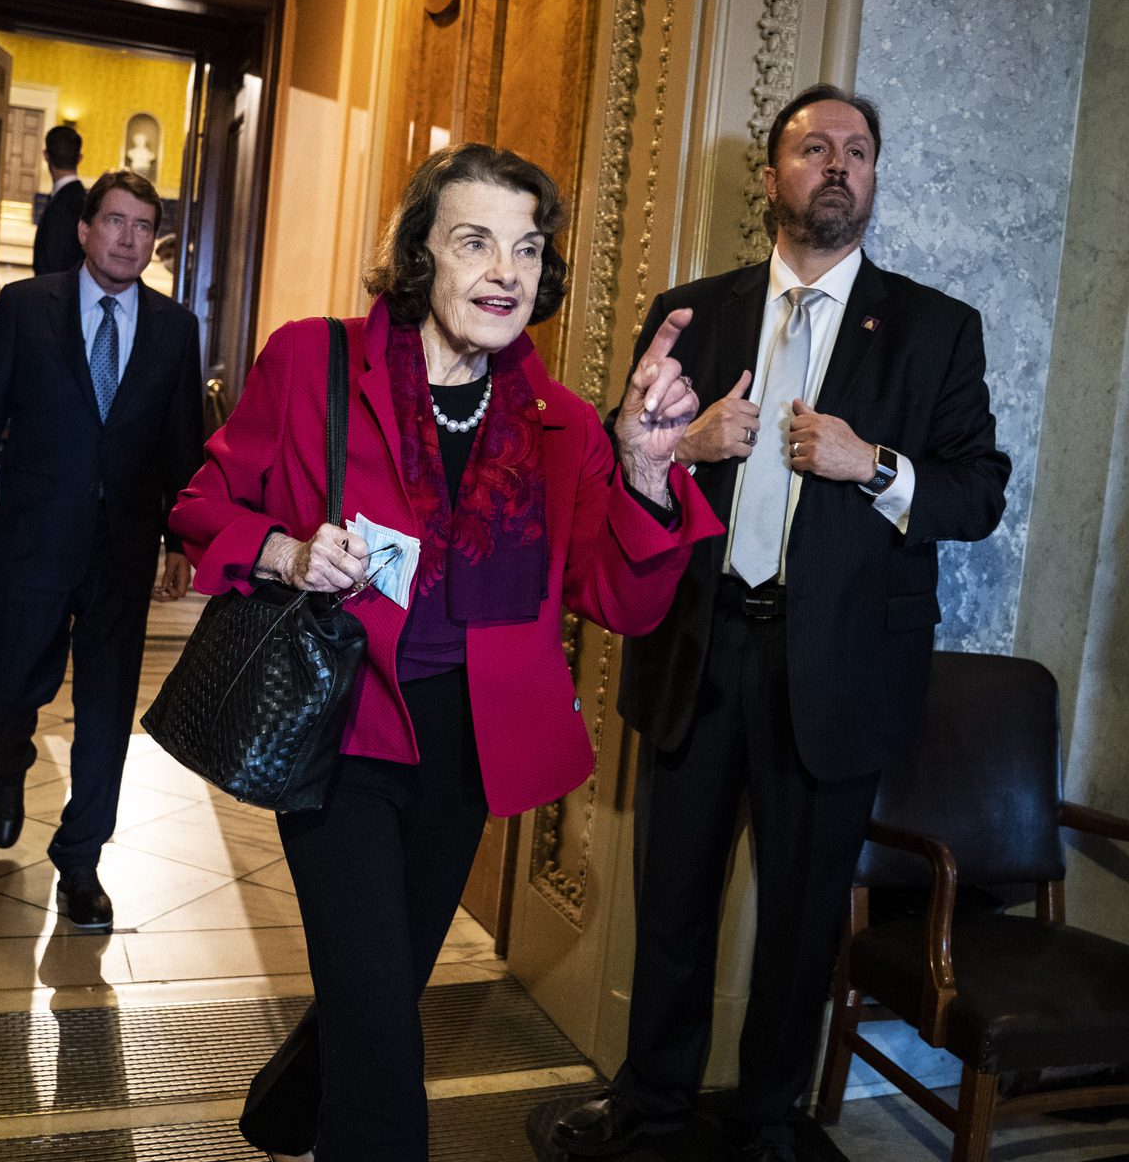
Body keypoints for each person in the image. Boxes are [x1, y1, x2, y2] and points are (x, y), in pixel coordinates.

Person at [170, 142, 719, 1161]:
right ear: (420, 254)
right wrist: (284, 551)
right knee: (384, 1031)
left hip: (468, 749)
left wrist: (647, 473)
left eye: (524, 247)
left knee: (377, 979)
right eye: (475, 241)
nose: (505, 270)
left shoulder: (558, 425)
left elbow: (619, 597)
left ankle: (289, 1108)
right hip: (338, 731)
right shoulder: (313, 362)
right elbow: (202, 505)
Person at [553, 84, 1010, 1162]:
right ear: (773, 178)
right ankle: (651, 1110)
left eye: (858, 150)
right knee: (670, 906)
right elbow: (632, 486)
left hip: (840, 670)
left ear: (876, 178)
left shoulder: (937, 330)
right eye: (814, 148)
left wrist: (875, 465)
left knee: (803, 929)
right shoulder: (692, 314)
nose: (838, 165)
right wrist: (675, 452)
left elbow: (977, 494)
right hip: (701, 652)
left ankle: (766, 1125)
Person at [0, 169, 203, 931]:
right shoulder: (25, 308)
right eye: (115, 221)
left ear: (154, 243)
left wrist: (182, 541)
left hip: (122, 551)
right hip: (31, 541)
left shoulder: (175, 328)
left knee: (106, 708)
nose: (128, 237)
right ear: (85, 229)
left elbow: (183, 448)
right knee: (10, 680)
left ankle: (82, 860)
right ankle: (9, 760)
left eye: (143, 226)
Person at [32, 124, 85, 275]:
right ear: (79, 158)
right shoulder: (82, 199)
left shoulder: (63, 202)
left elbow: (53, 264)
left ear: (46, 156)